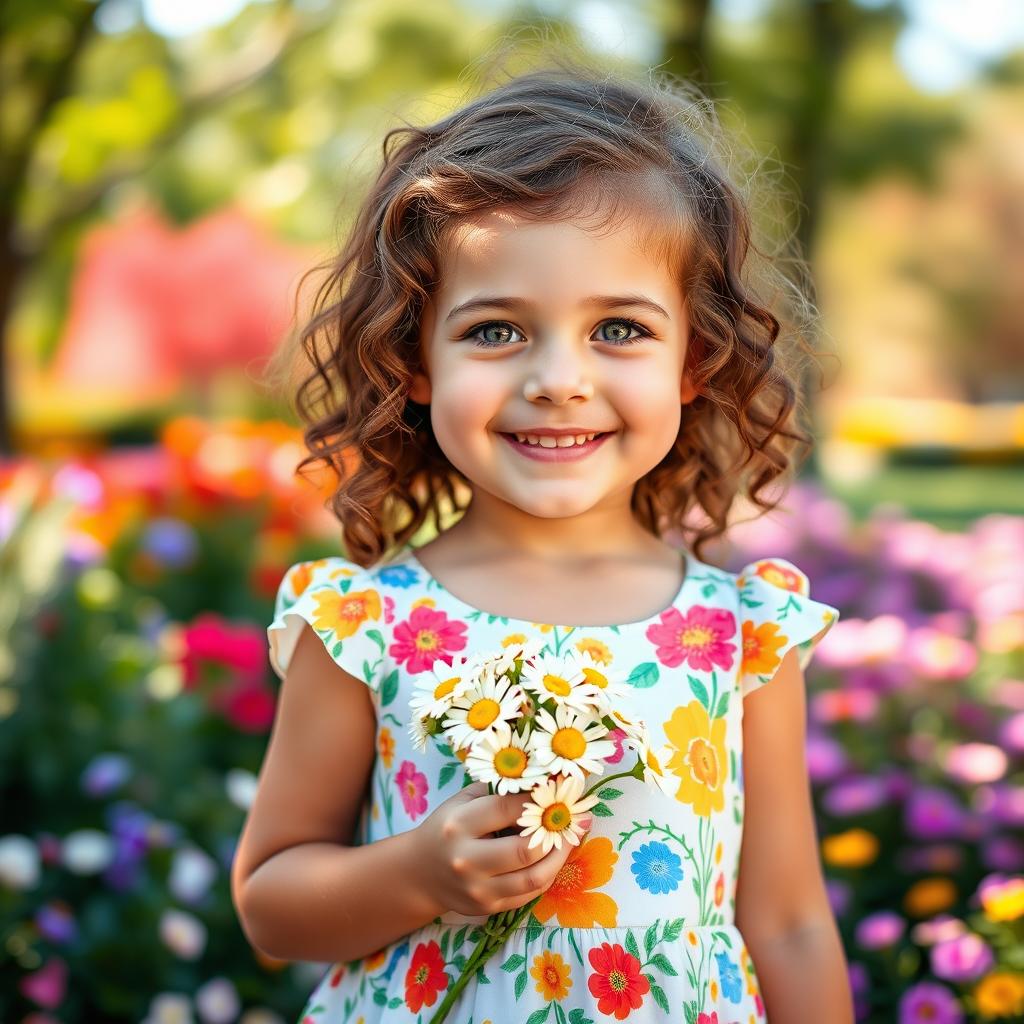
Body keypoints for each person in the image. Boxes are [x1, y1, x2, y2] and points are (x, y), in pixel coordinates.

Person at [231, 53, 855, 1024]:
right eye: (494, 331)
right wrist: (416, 873)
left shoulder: (740, 633)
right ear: (415, 360)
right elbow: (272, 901)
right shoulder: (364, 624)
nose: (557, 379)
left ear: (696, 357)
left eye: (618, 330)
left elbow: (788, 922)